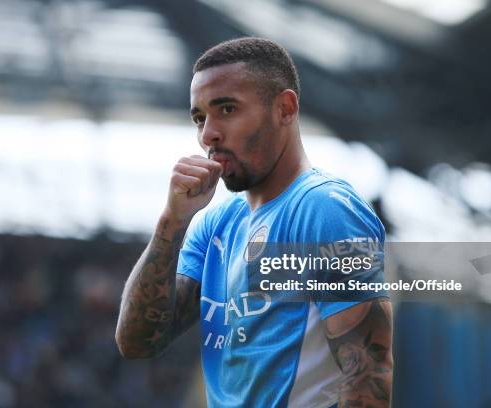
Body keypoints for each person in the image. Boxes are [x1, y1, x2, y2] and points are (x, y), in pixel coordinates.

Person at [115, 37, 393, 408]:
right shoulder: (212, 224)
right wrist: (171, 223)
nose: (207, 134)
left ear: (285, 108)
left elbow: (367, 379)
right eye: (199, 118)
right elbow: (137, 342)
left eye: (226, 109)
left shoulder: (324, 210)